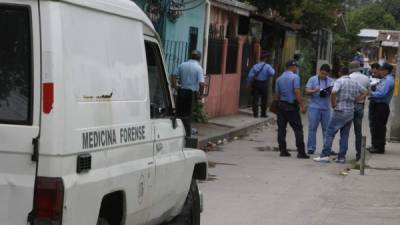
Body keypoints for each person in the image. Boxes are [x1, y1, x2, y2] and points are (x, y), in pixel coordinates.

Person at [314, 67, 368, 163]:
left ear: (340, 73)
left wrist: (333, 103)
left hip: (339, 110)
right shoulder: (354, 82)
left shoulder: (339, 81)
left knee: (330, 132)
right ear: (348, 73)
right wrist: (357, 99)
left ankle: (325, 155)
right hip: (350, 111)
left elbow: (334, 92)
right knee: (345, 135)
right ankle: (341, 157)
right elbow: (366, 92)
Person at [274, 60, 309, 159]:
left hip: (281, 106)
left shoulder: (279, 79)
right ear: (293, 67)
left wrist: (277, 106)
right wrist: (302, 105)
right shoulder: (295, 77)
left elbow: (276, 95)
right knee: (298, 129)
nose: (296, 68)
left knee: (281, 129)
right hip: (291, 107)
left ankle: (283, 150)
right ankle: (301, 152)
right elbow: (297, 92)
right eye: (296, 67)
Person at [171, 50, 205, 137]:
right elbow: (201, 83)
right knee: (188, 114)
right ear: (199, 58)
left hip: (181, 92)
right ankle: (187, 134)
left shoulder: (182, 65)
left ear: (190, 56)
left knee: (179, 112)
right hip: (191, 93)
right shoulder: (198, 68)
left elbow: (173, 75)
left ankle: (177, 130)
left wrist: (175, 86)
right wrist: (200, 95)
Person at [304, 64, 334, 155]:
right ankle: (311, 148)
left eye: (325, 74)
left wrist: (330, 92)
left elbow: (334, 92)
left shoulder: (331, 81)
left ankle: (327, 148)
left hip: (326, 108)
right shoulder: (312, 79)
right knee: (312, 128)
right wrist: (314, 90)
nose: (323, 75)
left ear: (328, 74)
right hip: (314, 107)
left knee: (327, 129)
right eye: (322, 73)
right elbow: (306, 91)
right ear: (319, 71)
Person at [368, 63, 395, 154]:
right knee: (375, 126)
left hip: (381, 106)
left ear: (386, 71)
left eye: (381, 70)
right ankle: (375, 145)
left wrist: (370, 93)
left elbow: (382, 94)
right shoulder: (384, 79)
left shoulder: (388, 80)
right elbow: (379, 89)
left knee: (379, 127)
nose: (380, 72)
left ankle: (379, 147)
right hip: (377, 105)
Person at [349, 61, 370, 161]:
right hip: (360, 106)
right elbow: (368, 92)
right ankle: (359, 154)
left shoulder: (348, 77)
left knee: (345, 130)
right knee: (358, 131)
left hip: (348, 106)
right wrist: (360, 98)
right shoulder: (366, 78)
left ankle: (341, 154)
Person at [247, 52, 275, 118]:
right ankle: (263, 114)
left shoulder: (255, 66)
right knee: (264, 99)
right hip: (264, 84)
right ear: (265, 59)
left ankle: (255, 114)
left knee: (255, 99)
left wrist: (248, 83)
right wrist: (267, 75)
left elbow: (250, 76)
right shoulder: (268, 66)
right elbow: (272, 73)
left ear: (260, 59)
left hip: (256, 84)